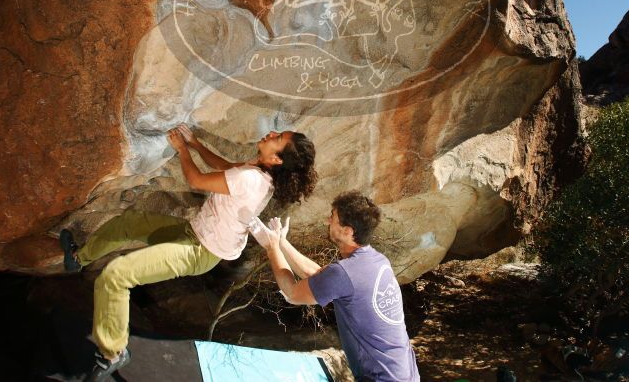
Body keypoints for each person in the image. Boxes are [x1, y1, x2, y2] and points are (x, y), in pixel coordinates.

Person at [59, 124, 317, 381]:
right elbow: (225, 166)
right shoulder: (258, 170)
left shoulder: (252, 180)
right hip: (194, 232)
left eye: (278, 138)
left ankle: (113, 354)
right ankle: (79, 258)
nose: (272, 133)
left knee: (116, 275)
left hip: (199, 250)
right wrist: (194, 143)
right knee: (129, 223)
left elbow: (196, 180)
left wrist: (182, 150)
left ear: (276, 158)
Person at [249, 191, 420, 382]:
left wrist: (271, 248)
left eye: (333, 218)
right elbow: (317, 275)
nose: (327, 221)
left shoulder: (344, 273)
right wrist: (282, 242)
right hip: (406, 374)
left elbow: (293, 293)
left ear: (348, 231)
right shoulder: (378, 261)